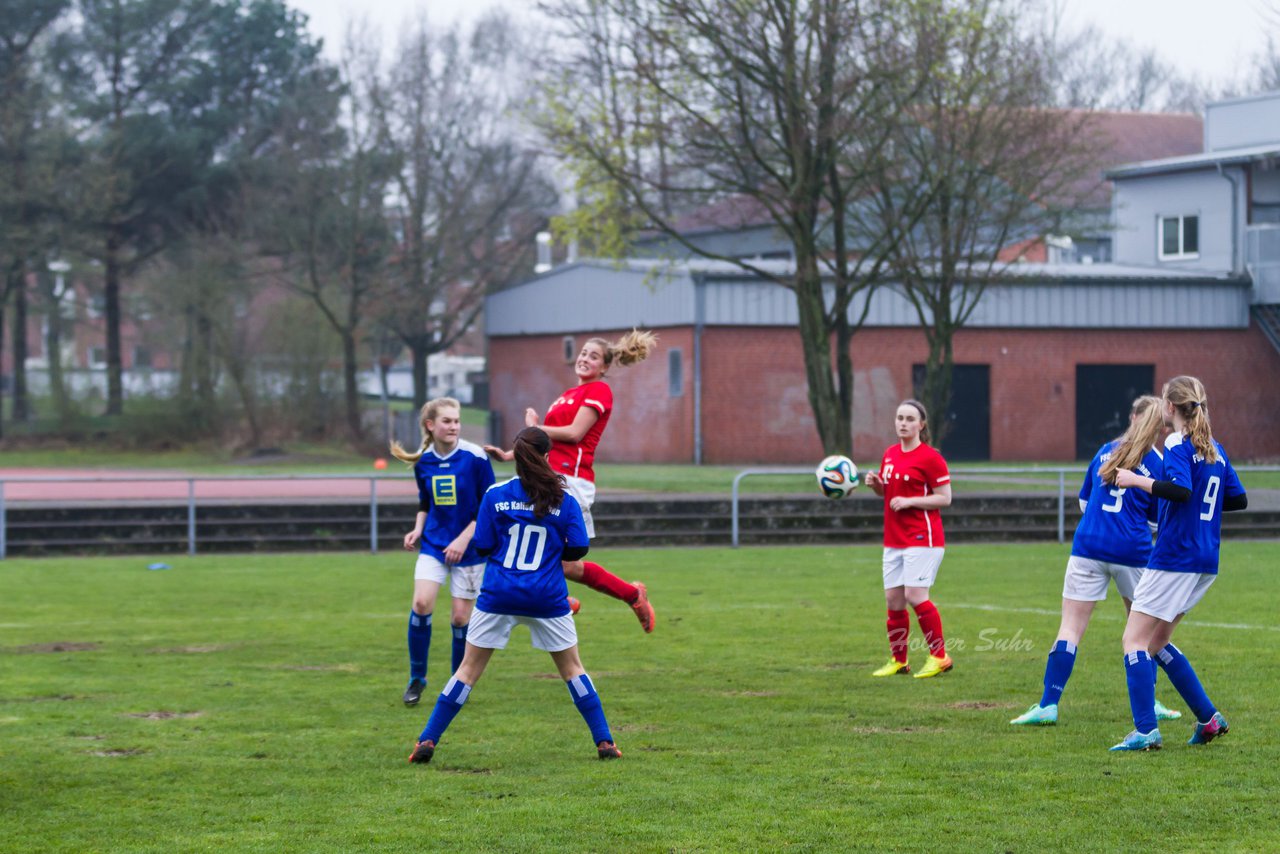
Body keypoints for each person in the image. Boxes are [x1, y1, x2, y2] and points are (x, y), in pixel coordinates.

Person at [409, 426, 623, 764]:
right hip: (547, 597)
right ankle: (605, 742)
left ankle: (427, 740)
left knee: (466, 672)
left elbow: (482, 544)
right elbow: (579, 549)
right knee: (573, 670)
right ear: (548, 456)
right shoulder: (564, 499)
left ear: (517, 456)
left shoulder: (495, 494)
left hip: (498, 595)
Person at [1011, 396, 1183, 726]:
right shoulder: (1160, 463)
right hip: (1132, 551)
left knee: (1070, 628)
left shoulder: (1106, 450)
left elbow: (1084, 502)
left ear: (1132, 417)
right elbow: (1158, 522)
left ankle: (1048, 704)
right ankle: (1152, 702)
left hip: (1088, 545)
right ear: (1161, 427)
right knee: (1142, 633)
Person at [485, 329, 658, 633]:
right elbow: (543, 443)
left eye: (593, 356)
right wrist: (509, 455)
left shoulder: (600, 390)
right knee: (540, 547)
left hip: (571, 482)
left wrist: (537, 427)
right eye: (583, 353)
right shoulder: (565, 395)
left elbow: (575, 434)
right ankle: (614, 595)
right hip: (546, 477)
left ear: (604, 367)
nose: (584, 358)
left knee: (565, 561)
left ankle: (615, 596)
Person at [1107, 375, 1247, 752]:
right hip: (1205, 560)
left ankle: (1145, 730)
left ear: (1170, 408)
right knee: (1158, 640)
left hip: (1175, 556)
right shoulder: (1214, 448)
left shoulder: (1176, 442)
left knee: (1133, 639)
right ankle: (1209, 718)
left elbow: (1181, 490)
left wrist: (1137, 480)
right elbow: (1239, 499)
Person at [389, 398, 496, 707]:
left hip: (471, 549)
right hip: (435, 545)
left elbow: (487, 508)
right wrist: (418, 529)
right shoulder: (424, 461)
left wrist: (463, 540)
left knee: (461, 619)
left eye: (457, 421)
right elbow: (426, 502)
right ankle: (417, 678)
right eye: (447, 421)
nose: (454, 426)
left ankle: (457, 684)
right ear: (430, 425)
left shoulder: (475, 457)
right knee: (421, 603)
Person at [862, 399, 954, 679]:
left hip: (923, 538)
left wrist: (910, 500)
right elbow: (889, 496)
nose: (903, 423)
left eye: (910, 419)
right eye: (900, 418)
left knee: (915, 595)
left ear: (921, 425)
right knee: (894, 600)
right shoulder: (889, 454)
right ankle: (899, 660)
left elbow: (945, 498)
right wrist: (878, 486)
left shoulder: (930, 457)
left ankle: (939, 656)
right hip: (894, 539)